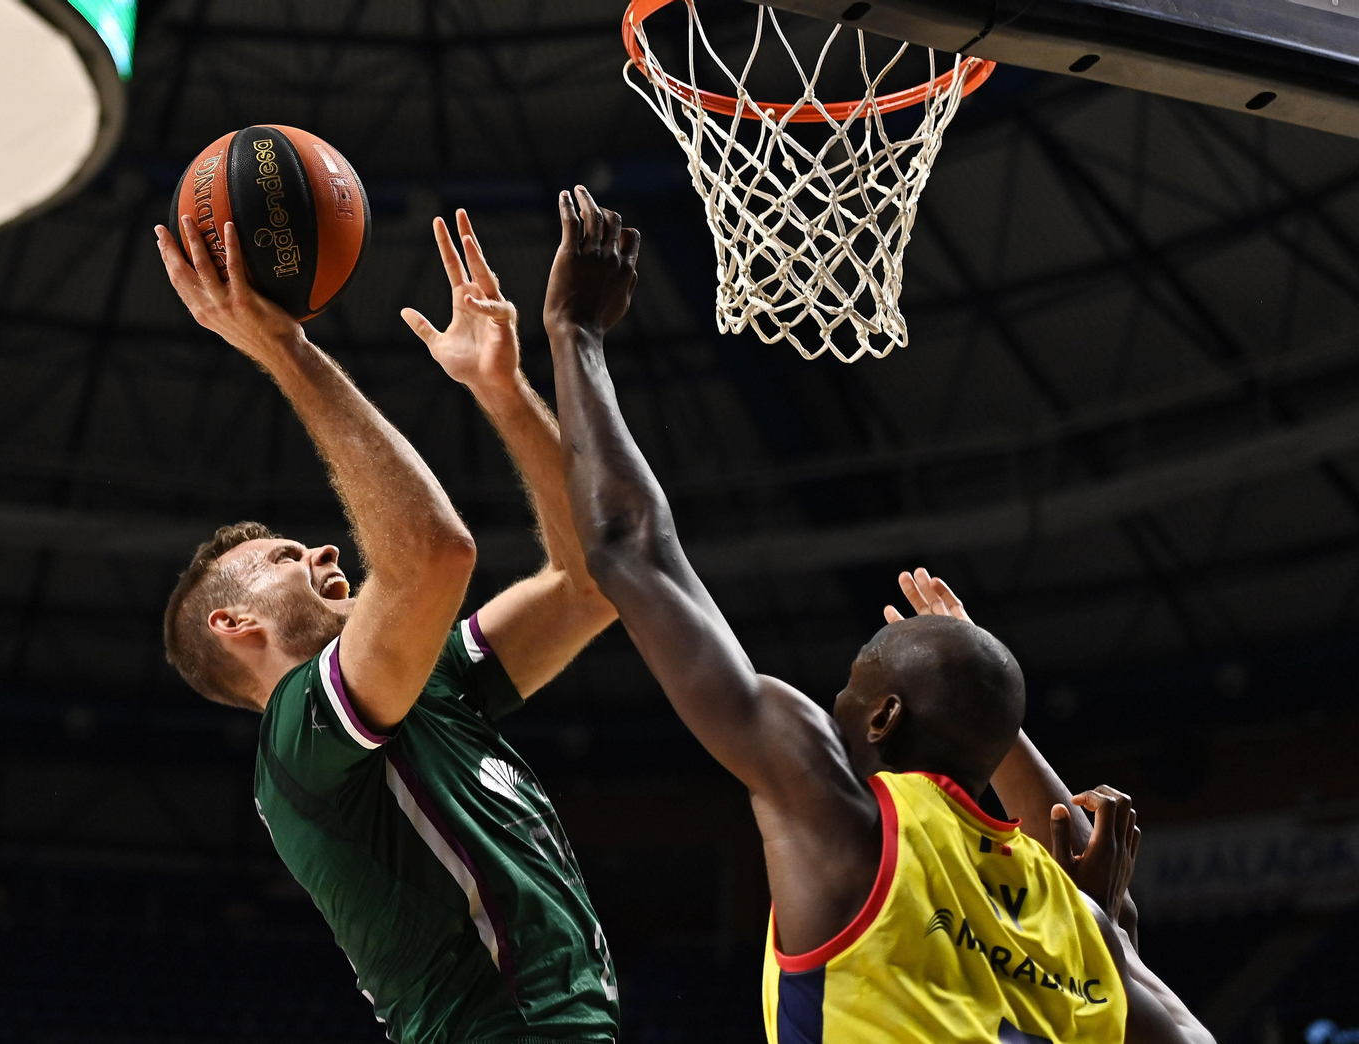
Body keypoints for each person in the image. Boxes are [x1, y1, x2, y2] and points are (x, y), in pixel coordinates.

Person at [541, 184, 1214, 1044]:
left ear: (885, 716)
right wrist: (1108, 938)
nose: (835, 704)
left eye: (851, 685)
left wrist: (575, 332)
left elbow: (629, 548)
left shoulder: (843, 819)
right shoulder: (1070, 916)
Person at [154, 208, 621, 1044]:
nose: (322, 548)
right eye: (284, 556)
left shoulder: (429, 679)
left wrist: (502, 391)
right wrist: (285, 349)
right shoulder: (297, 737)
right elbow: (433, 555)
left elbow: (590, 582)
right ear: (233, 621)